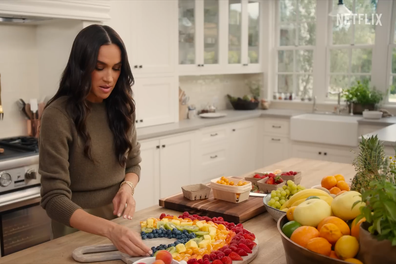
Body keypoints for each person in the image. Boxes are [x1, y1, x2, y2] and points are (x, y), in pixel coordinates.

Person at [38, 24, 151, 257]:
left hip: (119, 225)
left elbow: (133, 164)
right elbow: (54, 198)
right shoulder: (58, 115)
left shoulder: (123, 108)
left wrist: (127, 189)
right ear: (81, 67)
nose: (109, 78)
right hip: (74, 230)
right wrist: (110, 230)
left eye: (116, 68)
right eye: (99, 68)